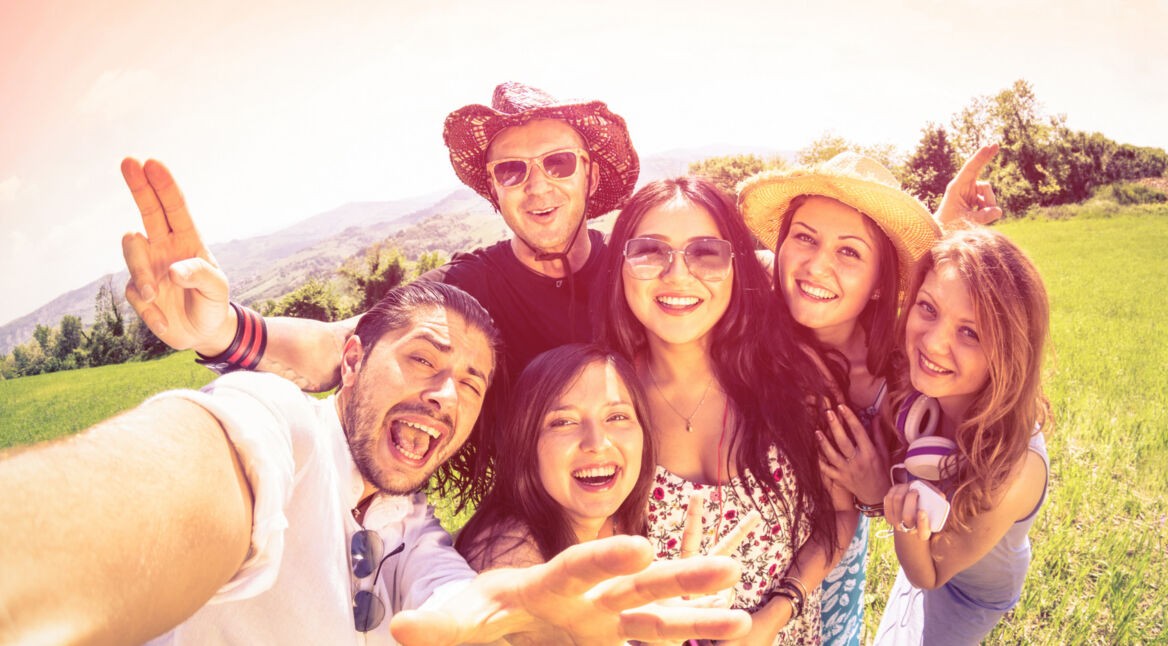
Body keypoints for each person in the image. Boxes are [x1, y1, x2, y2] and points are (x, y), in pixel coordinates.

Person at [0, 281, 752, 646]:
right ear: (350, 361)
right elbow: (183, 481)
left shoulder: (408, 525)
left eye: (469, 382)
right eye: (421, 360)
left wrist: (504, 612)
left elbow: (459, 597)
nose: (442, 395)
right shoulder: (285, 427)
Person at [119, 81, 637, 394]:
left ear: (589, 175)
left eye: (558, 163)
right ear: (495, 194)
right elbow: (340, 349)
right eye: (511, 172)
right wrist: (222, 331)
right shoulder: (469, 288)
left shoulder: (638, 276)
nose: (537, 186)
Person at [737, 146, 1003, 644]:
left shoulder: (909, 365)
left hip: (832, 550)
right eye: (804, 239)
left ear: (881, 283)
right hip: (743, 543)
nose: (816, 267)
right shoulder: (749, 309)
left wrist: (878, 490)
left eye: (849, 252)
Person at [595, 176, 855, 644]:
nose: (677, 275)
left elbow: (838, 514)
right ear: (619, 266)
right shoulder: (598, 402)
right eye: (650, 251)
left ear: (737, 266)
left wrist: (771, 618)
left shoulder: (793, 377)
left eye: (705, 253)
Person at [873, 227, 1051, 644]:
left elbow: (929, 575)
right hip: (927, 544)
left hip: (971, 591)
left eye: (970, 332)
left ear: (1007, 355)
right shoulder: (924, 391)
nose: (933, 344)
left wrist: (903, 522)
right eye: (928, 308)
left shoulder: (1016, 471)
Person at [456, 343, 656, 570]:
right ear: (526, 443)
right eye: (564, 422)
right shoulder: (510, 552)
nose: (598, 443)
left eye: (617, 417)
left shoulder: (628, 521)